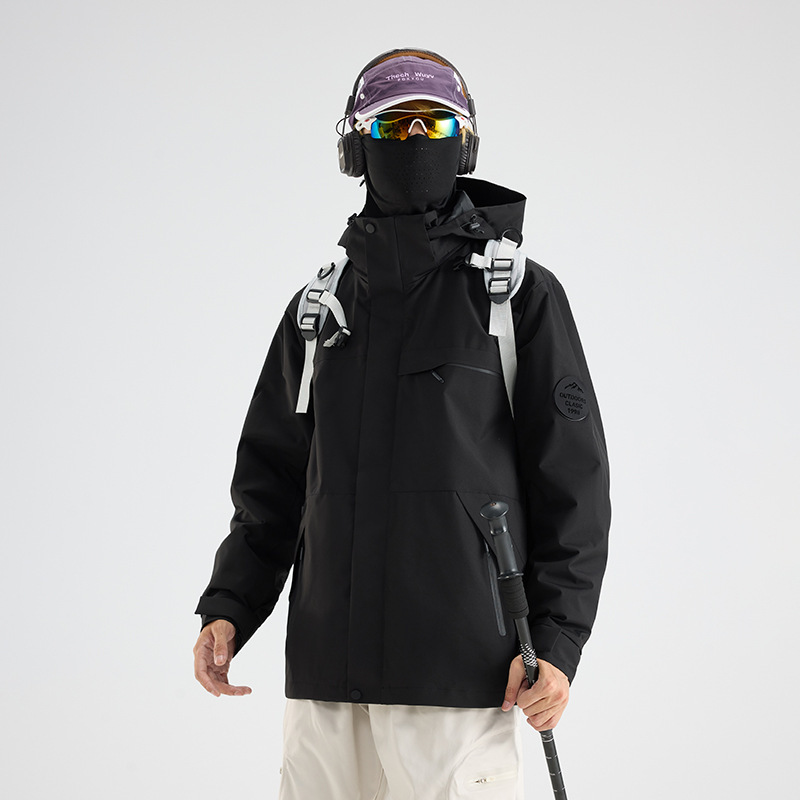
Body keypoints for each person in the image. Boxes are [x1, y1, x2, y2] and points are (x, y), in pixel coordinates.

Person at [193, 48, 611, 799]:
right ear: (357, 149)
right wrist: (229, 606)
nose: (416, 140)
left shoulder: (515, 297)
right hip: (327, 680)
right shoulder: (319, 312)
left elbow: (572, 485)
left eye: (436, 124)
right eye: (394, 125)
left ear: (465, 145)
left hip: (464, 675)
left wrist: (558, 639)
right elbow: (271, 485)